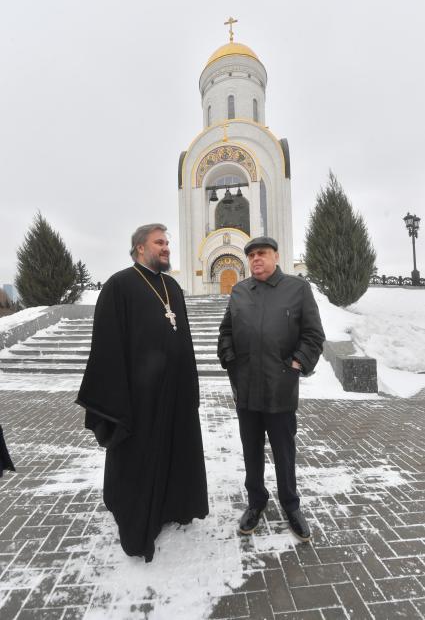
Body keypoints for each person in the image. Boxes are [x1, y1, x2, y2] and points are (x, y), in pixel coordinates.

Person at [76, 224, 208, 562]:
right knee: (141, 456)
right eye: (159, 242)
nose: (166, 248)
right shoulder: (119, 285)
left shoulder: (172, 286)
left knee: (174, 448)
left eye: (167, 242)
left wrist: (189, 385)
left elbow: (184, 340)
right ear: (139, 248)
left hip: (173, 394)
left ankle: (172, 505)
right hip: (138, 398)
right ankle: (139, 519)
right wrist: (118, 397)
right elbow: (106, 346)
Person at [218, 236, 325, 541]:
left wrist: (296, 365)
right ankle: (256, 503)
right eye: (251, 255)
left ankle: (291, 506)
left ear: (276, 256)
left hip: (280, 389)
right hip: (247, 390)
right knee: (251, 452)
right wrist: (231, 362)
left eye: (262, 253)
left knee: (284, 452)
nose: (256, 259)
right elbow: (226, 331)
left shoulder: (297, 289)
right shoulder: (239, 291)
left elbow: (313, 335)